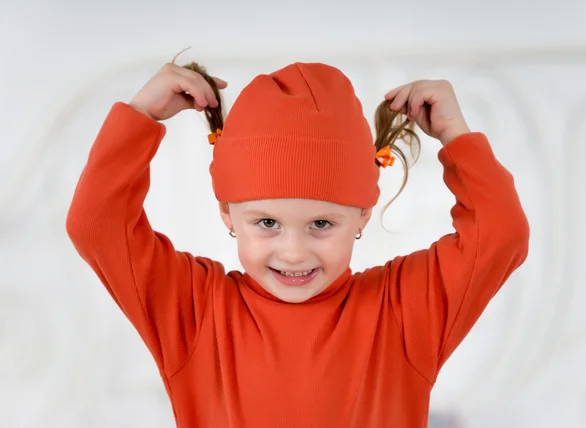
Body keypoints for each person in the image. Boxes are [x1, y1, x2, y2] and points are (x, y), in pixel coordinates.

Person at [66, 59, 529, 427]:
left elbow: (501, 235)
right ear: (227, 212)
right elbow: (96, 223)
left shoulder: (403, 311)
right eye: (266, 222)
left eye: (322, 224)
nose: (293, 252)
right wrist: (141, 115)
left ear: (362, 215)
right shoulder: (193, 311)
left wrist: (455, 133)